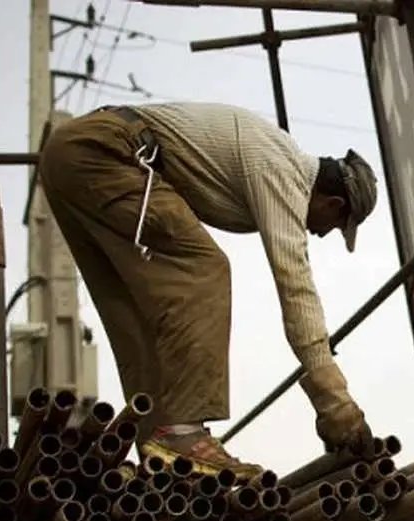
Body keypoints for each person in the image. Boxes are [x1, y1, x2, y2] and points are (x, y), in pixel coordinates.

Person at [39, 102, 380, 478]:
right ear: (333, 203)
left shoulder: (273, 157)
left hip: (70, 157)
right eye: (335, 224)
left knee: (139, 313)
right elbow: (295, 285)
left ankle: (159, 448)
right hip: (108, 153)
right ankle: (182, 432)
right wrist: (335, 401)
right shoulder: (285, 173)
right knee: (205, 270)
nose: (323, 233)